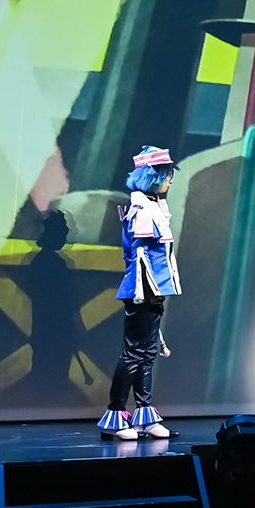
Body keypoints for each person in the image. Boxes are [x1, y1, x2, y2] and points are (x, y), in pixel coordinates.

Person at [98, 146, 178, 440]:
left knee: (146, 354)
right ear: (153, 176)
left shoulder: (154, 205)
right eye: (166, 175)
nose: (170, 180)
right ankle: (116, 416)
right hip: (141, 289)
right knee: (134, 354)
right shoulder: (141, 207)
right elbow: (138, 255)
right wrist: (148, 292)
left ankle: (145, 415)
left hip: (154, 289)